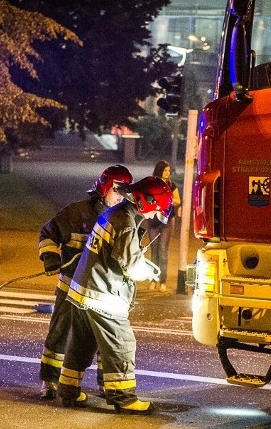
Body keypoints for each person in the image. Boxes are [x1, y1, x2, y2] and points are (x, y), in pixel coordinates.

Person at [57, 176, 173, 415]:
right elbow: (130, 265)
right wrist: (150, 270)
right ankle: (124, 397)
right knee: (122, 343)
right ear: (146, 202)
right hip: (103, 296)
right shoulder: (126, 222)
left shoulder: (116, 213)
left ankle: (68, 389)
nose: (154, 217)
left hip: (82, 292)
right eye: (155, 210)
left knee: (81, 344)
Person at [37, 165, 132, 399]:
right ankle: (50, 380)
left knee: (104, 342)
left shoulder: (123, 220)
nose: (120, 197)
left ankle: (105, 383)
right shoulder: (75, 213)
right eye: (116, 191)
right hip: (71, 290)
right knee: (60, 334)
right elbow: (48, 233)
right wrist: (50, 257)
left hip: (102, 295)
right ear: (102, 188)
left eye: (124, 192)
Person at [142, 160, 181, 292]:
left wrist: (168, 197)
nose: (168, 173)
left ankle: (162, 281)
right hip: (153, 221)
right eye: (165, 170)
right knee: (154, 251)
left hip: (168, 221)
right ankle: (154, 279)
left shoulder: (172, 185)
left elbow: (178, 201)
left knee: (163, 251)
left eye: (169, 170)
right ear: (159, 171)